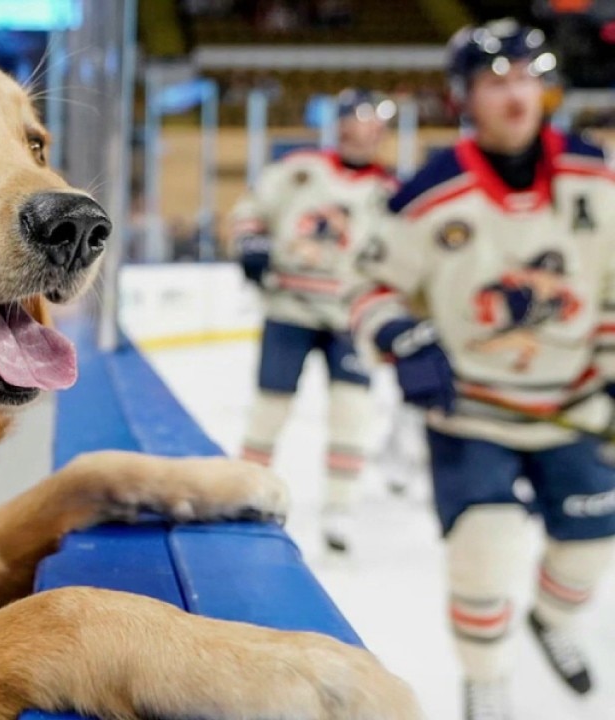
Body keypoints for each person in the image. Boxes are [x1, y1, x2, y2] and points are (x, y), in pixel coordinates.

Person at [350, 19, 615, 720]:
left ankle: (554, 622)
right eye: (498, 81)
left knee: (589, 548)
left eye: (528, 77)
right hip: (473, 413)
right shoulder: (429, 193)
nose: (517, 94)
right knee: (484, 556)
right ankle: (487, 688)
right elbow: (369, 288)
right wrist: (403, 336)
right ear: (464, 96)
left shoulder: (596, 173)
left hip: (577, 405)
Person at [232, 88, 397, 553]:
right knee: (270, 407)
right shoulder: (300, 170)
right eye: (352, 123)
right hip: (290, 307)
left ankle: (339, 508)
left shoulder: (390, 192)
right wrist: (251, 244)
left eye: (371, 126)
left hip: (351, 316)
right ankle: (246, 490)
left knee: (352, 414)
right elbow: (251, 210)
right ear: (340, 127)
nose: (361, 134)